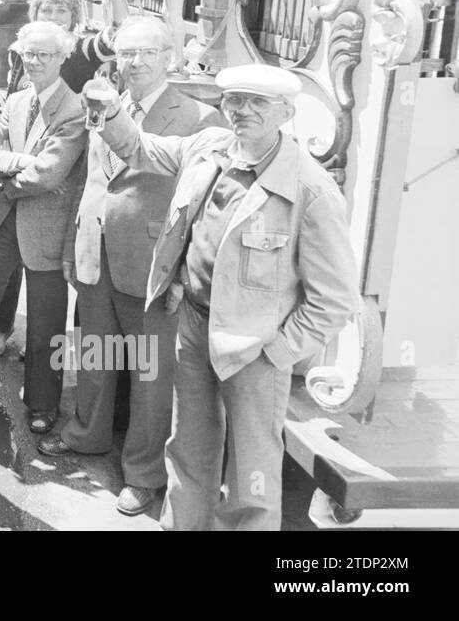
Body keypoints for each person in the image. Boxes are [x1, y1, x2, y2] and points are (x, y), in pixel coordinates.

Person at [90, 63, 359, 530]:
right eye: (235, 100)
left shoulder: (312, 191)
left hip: (257, 347)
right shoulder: (208, 149)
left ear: (286, 112)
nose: (243, 111)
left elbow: (334, 301)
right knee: (188, 449)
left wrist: (276, 352)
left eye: (259, 103)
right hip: (193, 325)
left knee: (252, 472)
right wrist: (112, 110)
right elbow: (138, 146)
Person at [42, 17, 227, 515]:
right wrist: (69, 245)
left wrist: (185, 272)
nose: (135, 62)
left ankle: (144, 474)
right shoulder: (106, 104)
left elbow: (205, 207)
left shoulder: (199, 118)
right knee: (97, 354)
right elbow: (88, 179)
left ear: (169, 56)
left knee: (150, 373)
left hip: (151, 266)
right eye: (126, 53)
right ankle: (86, 436)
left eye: (146, 53)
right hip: (94, 251)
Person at [0, 22, 87, 434]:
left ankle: (43, 405)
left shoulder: (75, 110)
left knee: (45, 324)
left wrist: (10, 170)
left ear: (63, 57)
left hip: (45, 228)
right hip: (5, 221)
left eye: (45, 54)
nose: (35, 61)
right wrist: (21, 163)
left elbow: (49, 175)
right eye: (28, 53)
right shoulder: (16, 99)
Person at [6, 0, 123, 94]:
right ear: (35, 14)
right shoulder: (19, 50)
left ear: (73, 16)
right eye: (46, 10)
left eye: (61, 11)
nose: (53, 17)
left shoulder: (82, 48)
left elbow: (115, 34)